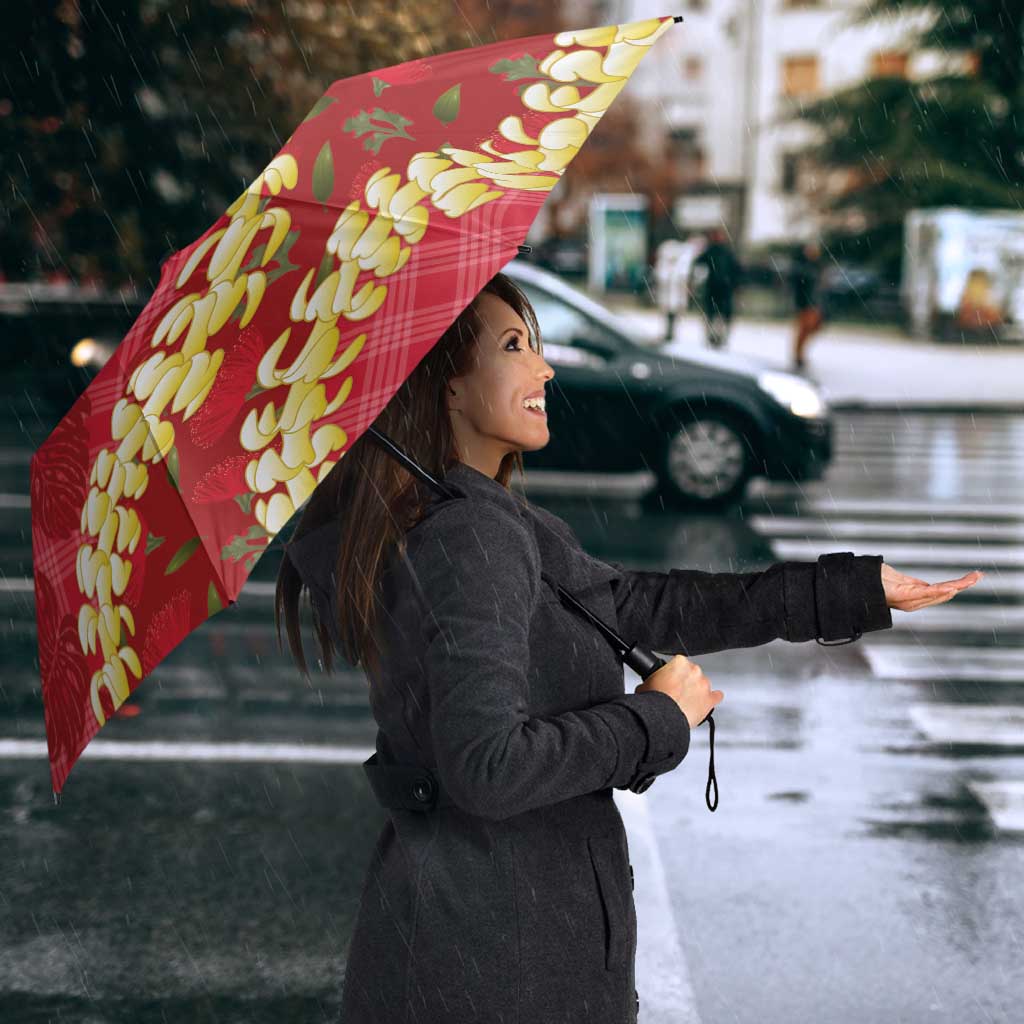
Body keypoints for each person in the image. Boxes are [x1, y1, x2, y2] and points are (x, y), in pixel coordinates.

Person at [276, 271, 981, 1024]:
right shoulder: (471, 536)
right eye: (514, 347)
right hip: (499, 963)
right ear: (446, 384)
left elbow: (640, 605)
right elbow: (488, 767)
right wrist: (655, 719)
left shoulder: (470, 519)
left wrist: (849, 590)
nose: (544, 368)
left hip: (473, 941)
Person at [692, 226, 742, 349]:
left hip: (722, 289)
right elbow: (698, 263)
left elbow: (736, 270)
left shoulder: (724, 252)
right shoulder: (714, 251)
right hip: (716, 288)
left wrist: (735, 284)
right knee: (714, 314)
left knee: (719, 315)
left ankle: (719, 337)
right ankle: (713, 337)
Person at [790, 239, 826, 371]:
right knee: (804, 329)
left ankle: (799, 354)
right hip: (805, 303)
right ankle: (798, 355)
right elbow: (799, 286)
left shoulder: (816, 266)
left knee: (812, 327)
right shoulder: (802, 267)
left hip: (814, 303)